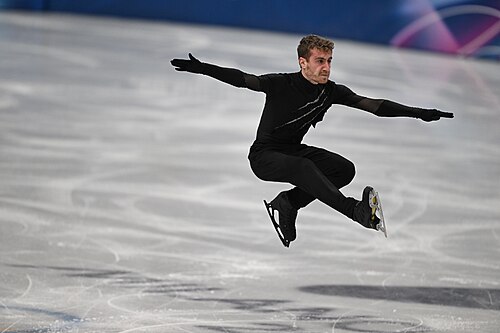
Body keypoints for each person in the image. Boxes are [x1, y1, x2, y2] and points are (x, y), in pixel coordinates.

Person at [171, 34, 453, 247]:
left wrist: (419, 113)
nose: (326, 67)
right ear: (302, 62)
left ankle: (289, 202)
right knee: (305, 169)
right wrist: (203, 68)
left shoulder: (331, 91)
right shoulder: (281, 83)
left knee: (343, 170)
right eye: (320, 61)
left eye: (329, 61)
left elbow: (375, 106)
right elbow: (244, 79)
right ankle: (356, 211)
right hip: (264, 157)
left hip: (294, 151)